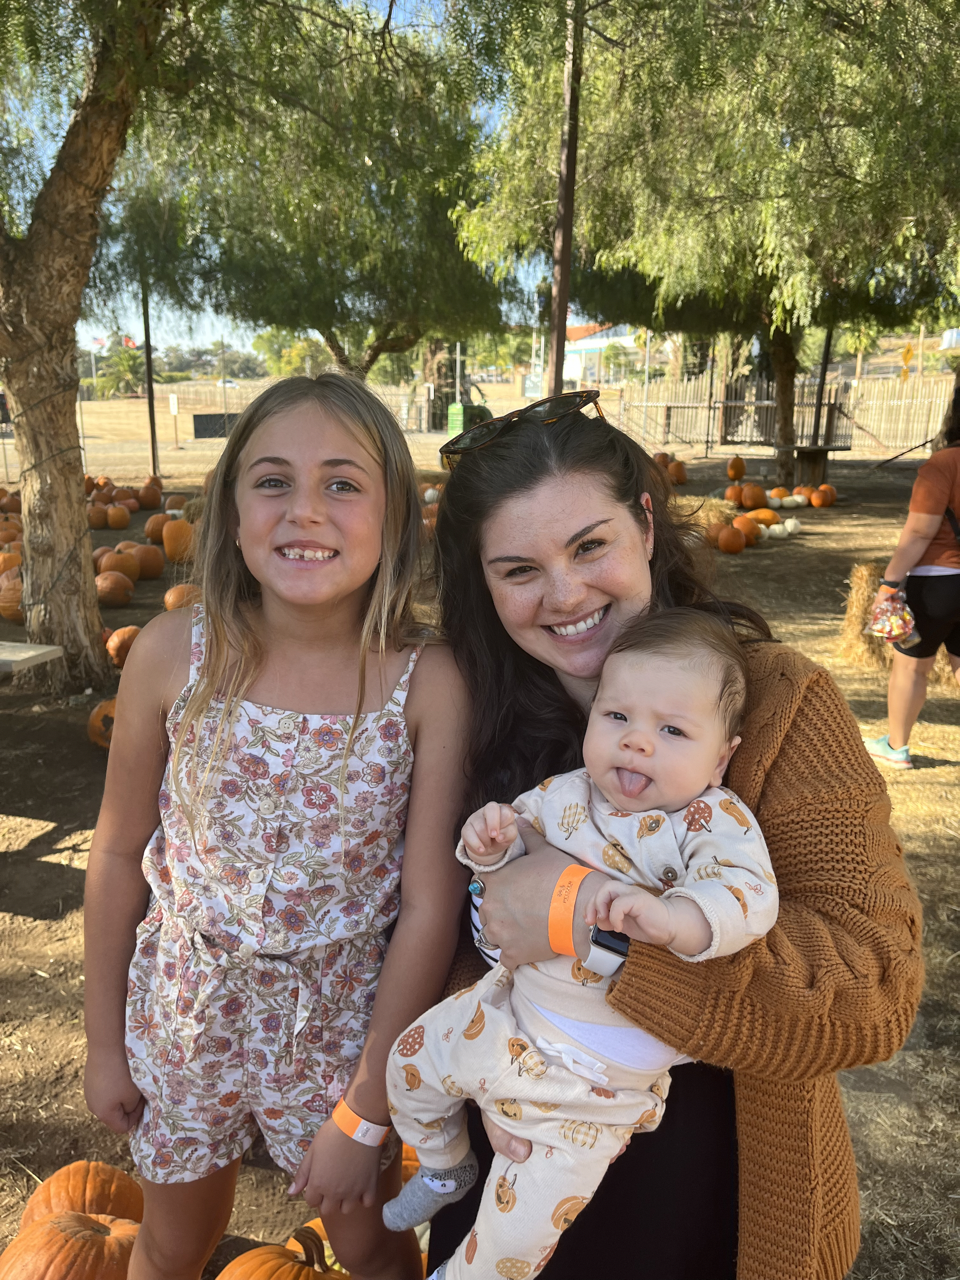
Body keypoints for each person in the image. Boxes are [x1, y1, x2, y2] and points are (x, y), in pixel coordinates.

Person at [427, 390, 924, 1280]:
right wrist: (496, 1057)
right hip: (518, 1164)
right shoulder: (474, 714)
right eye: (520, 569)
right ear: (484, 584)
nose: (566, 594)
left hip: (712, 1198)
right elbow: (454, 932)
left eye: (590, 546)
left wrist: (596, 929)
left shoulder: (777, 705)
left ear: (647, 526)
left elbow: (874, 988)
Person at [83, 376, 469, 1280]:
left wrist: (364, 1110)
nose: (305, 510)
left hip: (342, 1031)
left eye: (342, 483)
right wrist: (104, 1043)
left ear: (396, 518)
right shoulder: (171, 655)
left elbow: (429, 907)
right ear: (230, 510)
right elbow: (116, 852)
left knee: (370, 1247)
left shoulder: (429, 682)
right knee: (171, 1243)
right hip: (186, 1016)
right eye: (272, 482)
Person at [383, 609, 777, 1280]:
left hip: (595, 1086)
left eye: (672, 731)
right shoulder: (567, 794)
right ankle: (445, 1165)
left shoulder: (711, 821)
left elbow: (748, 897)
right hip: (506, 1016)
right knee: (409, 1063)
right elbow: (506, 872)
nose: (637, 742)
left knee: (521, 1224)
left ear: (721, 758)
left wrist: (675, 921)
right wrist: (491, 844)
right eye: (617, 716)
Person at [863, 393, 960, 769]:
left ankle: (896, 746)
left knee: (911, 666)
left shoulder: (944, 464)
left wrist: (889, 584)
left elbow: (920, 532)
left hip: (937, 583)